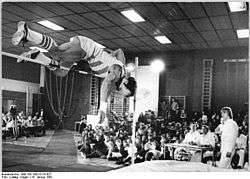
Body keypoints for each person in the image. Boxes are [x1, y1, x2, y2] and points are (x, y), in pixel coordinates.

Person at [12, 21, 137, 126]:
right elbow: (105, 85)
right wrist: (102, 110)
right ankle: (27, 34)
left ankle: (37, 55)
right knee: (57, 54)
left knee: (61, 71)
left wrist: (110, 55)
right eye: (123, 90)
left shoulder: (122, 67)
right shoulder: (117, 73)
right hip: (85, 49)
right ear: (126, 82)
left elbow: (120, 51)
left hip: (85, 51)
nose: (120, 92)